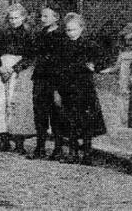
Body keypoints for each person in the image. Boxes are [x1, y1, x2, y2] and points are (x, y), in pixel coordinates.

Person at [56, 12, 107, 165]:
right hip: (68, 88)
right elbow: (57, 68)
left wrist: (94, 66)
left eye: (73, 29)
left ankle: (87, 153)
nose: (70, 33)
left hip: (84, 88)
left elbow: (103, 59)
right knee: (70, 121)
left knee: (87, 121)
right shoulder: (63, 46)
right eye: (68, 30)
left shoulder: (89, 45)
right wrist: (57, 89)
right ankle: (72, 152)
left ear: (81, 28)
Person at [0, 3, 35, 154]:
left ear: (23, 18)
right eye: (11, 18)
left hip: (19, 72)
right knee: (0, 102)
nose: (13, 21)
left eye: (17, 18)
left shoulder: (29, 35)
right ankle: (3, 139)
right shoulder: (1, 34)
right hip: (3, 70)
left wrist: (15, 69)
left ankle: (19, 142)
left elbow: (30, 56)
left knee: (17, 104)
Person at [27, 7, 67, 160]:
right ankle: (40, 146)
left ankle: (58, 148)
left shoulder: (61, 36)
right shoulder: (41, 34)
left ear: (56, 18)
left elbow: (62, 60)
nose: (42, 19)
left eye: (45, 16)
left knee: (56, 113)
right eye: (41, 16)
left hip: (55, 79)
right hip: (40, 77)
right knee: (39, 113)